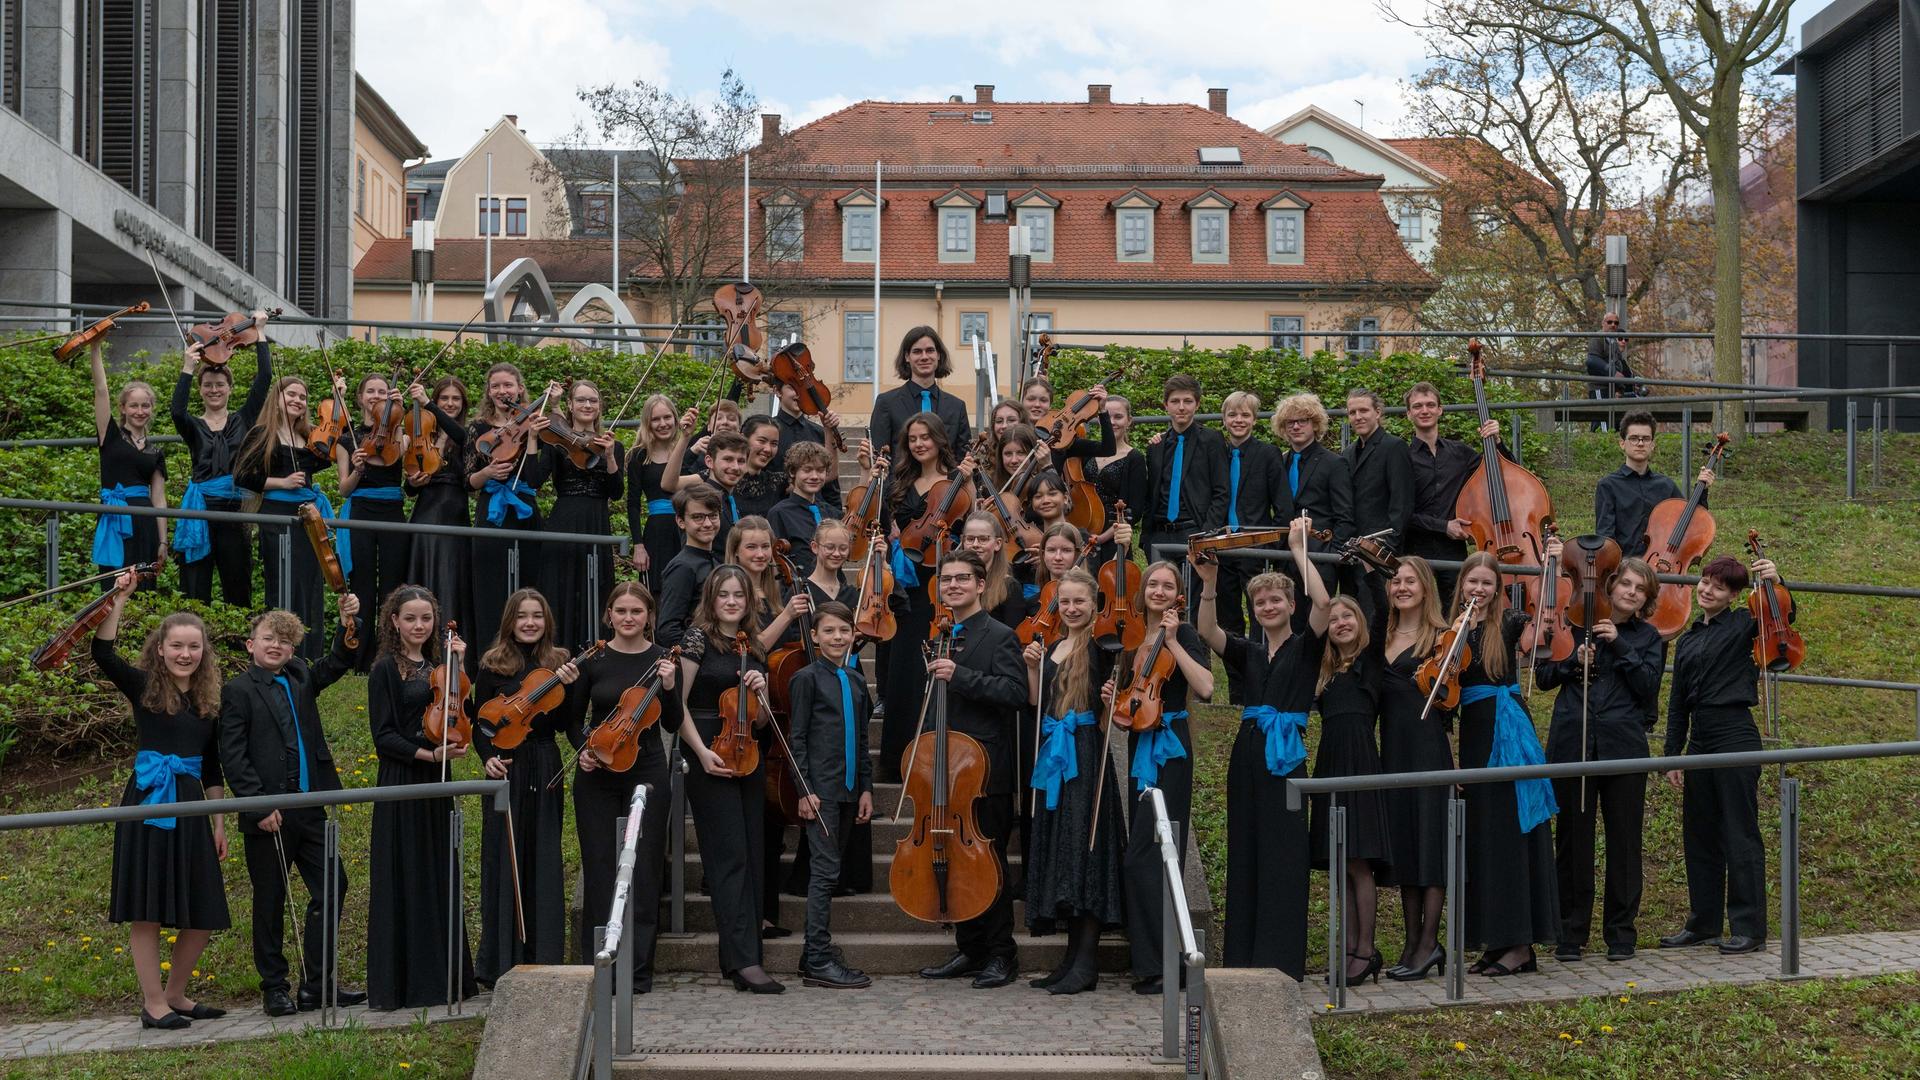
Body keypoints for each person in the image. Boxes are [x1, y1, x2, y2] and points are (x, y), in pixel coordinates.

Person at [218, 594, 367, 1016]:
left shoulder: (300, 675)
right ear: (251, 644)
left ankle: (317, 984)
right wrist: (259, 806)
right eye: (268, 639)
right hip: (270, 813)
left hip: (311, 808)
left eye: (285, 642)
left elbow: (335, 664)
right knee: (270, 900)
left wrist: (345, 623)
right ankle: (274, 987)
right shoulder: (238, 690)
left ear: (293, 649)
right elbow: (233, 755)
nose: (276, 646)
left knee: (333, 886)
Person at [93, 571, 229, 1029]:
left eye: (194, 647)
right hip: (149, 800)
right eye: (177, 646)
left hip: (193, 806)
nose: (185, 654)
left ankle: (177, 994)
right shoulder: (143, 687)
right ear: (160, 649)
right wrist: (120, 596)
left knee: (204, 908)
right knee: (147, 907)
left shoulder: (211, 700)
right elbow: (102, 653)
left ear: (203, 652)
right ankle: (154, 1004)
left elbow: (212, 767)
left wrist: (218, 822)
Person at [1194, 515, 1328, 977]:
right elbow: (1208, 632)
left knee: (1284, 855)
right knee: (1246, 850)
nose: (1268, 605)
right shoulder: (1249, 652)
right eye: (1261, 601)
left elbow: (1326, 604)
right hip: (1247, 755)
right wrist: (1210, 584)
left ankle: (1281, 959)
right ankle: (1243, 958)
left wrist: (1298, 551)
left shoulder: (1306, 646)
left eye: (1276, 598)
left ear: (1291, 604)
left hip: (1286, 756)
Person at [1536, 547, 1665, 963]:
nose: (1630, 592)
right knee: (1573, 840)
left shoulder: (1648, 639)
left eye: (1640, 589)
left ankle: (1621, 933)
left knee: (1624, 842)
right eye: (1625, 583)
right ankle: (1570, 932)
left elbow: (1648, 690)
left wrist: (1622, 648)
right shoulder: (1574, 624)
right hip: (1574, 742)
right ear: (1611, 585)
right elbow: (1542, 677)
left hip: (1623, 747)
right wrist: (1574, 662)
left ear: (1648, 599)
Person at [1660, 553, 1786, 957]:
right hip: (1700, 737)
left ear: (1733, 594)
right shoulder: (1689, 637)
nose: (1707, 589)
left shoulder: (1745, 625)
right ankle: (1704, 923)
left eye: (1718, 586)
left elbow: (1781, 616)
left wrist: (1775, 580)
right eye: (1704, 582)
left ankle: (1749, 928)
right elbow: (1678, 702)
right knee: (1699, 834)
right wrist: (1671, 755)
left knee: (1739, 833)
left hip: (1735, 733)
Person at [916, 548, 1030, 990]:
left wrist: (959, 675)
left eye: (963, 579)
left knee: (989, 864)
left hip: (984, 773)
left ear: (981, 585)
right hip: (944, 771)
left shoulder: (999, 635)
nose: (954, 586)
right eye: (947, 580)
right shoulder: (941, 635)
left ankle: (1002, 954)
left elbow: (1015, 692)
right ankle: (971, 949)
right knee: (958, 864)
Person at [559, 581, 678, 990]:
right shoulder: (594, 660)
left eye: (637, 612)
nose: (629, 618)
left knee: (643, 869)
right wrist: (584, 750)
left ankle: (637, 971)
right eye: (621, 611)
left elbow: (673, 723)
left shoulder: (663, 660)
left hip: (646, 771)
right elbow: (573, 722)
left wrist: (673, 687)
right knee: (600, 868)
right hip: (598, 773)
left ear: (649, 617)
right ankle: (600, 968)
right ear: (609, 615)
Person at [364, 586, 478, 1009]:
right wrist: (431, 753)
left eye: (426, 619)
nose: (418, 626)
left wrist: (459, 664)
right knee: (405, 874)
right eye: (410, 618)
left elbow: (460, 712)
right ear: (394, 621)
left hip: (436, 783)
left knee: (438, 873)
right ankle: (404, 986)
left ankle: (442, 980)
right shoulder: (384, 671)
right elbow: (384, 737)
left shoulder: (440, 666)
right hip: (401, 780)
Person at [1452, 552, 1558, 978]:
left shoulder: (1509, 622)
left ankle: (1520, 945)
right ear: (1461, 585)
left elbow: (1539, 633)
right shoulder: (1451, 633)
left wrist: (1546, 575)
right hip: (1475, 737)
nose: (1479, 590)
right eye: (1472, 582)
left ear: (1497, 589)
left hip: (1508, 731)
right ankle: (1497, 942)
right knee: (1485, 838)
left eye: (1487, 584)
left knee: (1513, 833)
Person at [675, 566, 781, 992]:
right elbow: (675, 706)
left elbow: (762, 722)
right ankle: (743, 962)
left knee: (752, 853)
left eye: (739, 595)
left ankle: (742, 958)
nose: (733, 601)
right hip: (707, 751)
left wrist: (762, 690)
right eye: (724, 595)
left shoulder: (753, 647)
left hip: (747, 752)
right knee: (728, 856)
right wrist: (700, 753)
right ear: (711, 599)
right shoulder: (696, 639)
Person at [1024, 568, 1123, 995]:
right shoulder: (1052, 645)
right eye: (1064, 601)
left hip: (1084, 754)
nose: (1071, 608)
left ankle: (1087, 962)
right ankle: (1069, 960)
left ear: (1094, 603)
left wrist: (1110, 698)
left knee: (1085, 853)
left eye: (1079, 601)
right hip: (1054, 754)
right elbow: (1036, 701)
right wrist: (1033, 668)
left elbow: (1110, 710)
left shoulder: (1102, 646)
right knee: (1061, 854)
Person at [1117, 561, 1213, 994]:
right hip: (1142, 745)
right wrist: (1115, 702)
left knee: (1159, 851)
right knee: (1143, 854)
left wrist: (1174, 640)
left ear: (1178, 592)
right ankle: (1154, 961)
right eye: (1152, 584)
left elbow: (1207, 687)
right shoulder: (1133, 635)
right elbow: (1130, 703)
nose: (1158, 590)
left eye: (1167, 585)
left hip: (1172, 745)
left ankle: (1168, 963)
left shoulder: (1185, 634)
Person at [470, 589, 572, 985]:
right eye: (522, 616)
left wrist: (570, 685)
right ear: (510, 621)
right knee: (502, 858)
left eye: (538, 616)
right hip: (505, 768)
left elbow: (565, 719)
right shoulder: (493, 665)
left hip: (545, 762)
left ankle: (542, 954)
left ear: (547, 622)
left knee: (544, 855)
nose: (530, 623)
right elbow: (482, 723)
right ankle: (499, 960)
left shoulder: (558, 663)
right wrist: (487, 758)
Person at [875, 415, 974, 783]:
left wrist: (967, 479)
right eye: (912, 438)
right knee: (905, 667)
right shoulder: (899, 482)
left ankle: (937, 759)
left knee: (939, 666)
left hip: (942, 580)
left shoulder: (956, 480)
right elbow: (883, 528)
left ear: (938, 439)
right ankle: (899, 756)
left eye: (925, 437)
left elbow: (970, 519)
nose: (919, 444)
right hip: (908, 584)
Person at [787, 601, 874, 989]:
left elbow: (863, 737)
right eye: (829, 631)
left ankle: (812, 955)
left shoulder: (856, 680)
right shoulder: (806, 678)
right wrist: (804, 790)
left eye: (844, 631)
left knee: (832, 871)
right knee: (824, 873)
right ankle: (819, 957)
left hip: (849, 789)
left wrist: (867, 788)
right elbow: (797, 738)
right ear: (815, 636)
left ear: (854, 634)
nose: (837, 637)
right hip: (819, 790)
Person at [1376, 556, 1454, 980]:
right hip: (1392, 753)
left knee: (1430, 844)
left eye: (1410, 581)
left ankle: (1429, 943)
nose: (1401, 587)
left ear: (1425, 588)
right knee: (1405, 845)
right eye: (1396, 581)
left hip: (1427, 752)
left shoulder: (1441, 639)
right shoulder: (1381, 636)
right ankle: (1410, 944)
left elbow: (1449, 701)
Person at [1310, 594, 1393, 984]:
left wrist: (1370, 571)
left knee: (1360, 861)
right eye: (1334, 618)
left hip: (1360, 760)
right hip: (1330, 761)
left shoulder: (1371, 661)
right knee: (1340, 863)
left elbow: (1381, 616)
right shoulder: (1324, 670)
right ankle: (1346, 948)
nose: (1341, 622)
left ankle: (1365, 950)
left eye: (1348, 616)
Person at [172, 323, 272, 606]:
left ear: (229, 389)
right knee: (194, 586)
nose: (214, 390)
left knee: (238, 584)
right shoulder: (192, 426)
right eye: (208, 386)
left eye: (219, 385)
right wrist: (187, 368)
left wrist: (260, 332)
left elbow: (264, 377)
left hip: (234, 511)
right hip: (200, 510)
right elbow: (177, 410)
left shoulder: (243, 419)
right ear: (201, 390)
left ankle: (238, 644)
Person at [235, 376, 334, 660]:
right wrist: (282, 482)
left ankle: (307, 651)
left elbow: (333, 449)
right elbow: (242, 476)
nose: (297, 400)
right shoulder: (261, 434)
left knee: (309, 580)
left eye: (302, 397)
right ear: (277, 398)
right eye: (291, 394)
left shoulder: (309, 437)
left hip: (307, 518)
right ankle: (277, 646)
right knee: (281, 580)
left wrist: (337, 401)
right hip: (276, 515)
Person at [467, 364, 556, 655]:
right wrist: (488, 472)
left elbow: (540, 471)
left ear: (519, 389)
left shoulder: (534, 421)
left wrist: (551, 406)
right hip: (491, 510)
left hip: (524, 510)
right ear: (489, 391)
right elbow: (468, 480)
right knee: (490, 583)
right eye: (496, 386)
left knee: (529, 582)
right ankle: (490, 655)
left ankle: (529, 654)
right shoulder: (479, 428)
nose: (502, 391)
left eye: (508, 385)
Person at [539, 380, 624, 649]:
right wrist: (533, 439)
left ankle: (594, 653)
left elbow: (617, 492)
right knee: (561, 590)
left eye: (593, 401)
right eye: (581, 400)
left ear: (599, 408)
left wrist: (610, 457)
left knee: (597, 590)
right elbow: (534, 479)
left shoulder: (612, 445)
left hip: (596, 521)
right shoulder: (556, 442)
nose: (588, 405)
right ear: (570, 407)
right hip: (564, 519)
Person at [336, 373, 411, 670]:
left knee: (394, 581)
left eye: (383, 391)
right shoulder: (347, 439)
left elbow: (410, 466)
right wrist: (357, 469)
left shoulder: (400, 437)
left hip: (393, 510)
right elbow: (344, 489)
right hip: (361, 511)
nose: (377, 396)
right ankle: (361, 656)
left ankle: (390, 654)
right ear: (360, 398)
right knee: (362, 583)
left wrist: (400, 415)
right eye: (371, 391)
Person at [1402, 383, 1503, 600]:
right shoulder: (1400, 457)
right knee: (1416, 611)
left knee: (1454, 609)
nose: (1425, 410)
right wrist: (1444, 526)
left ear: (1440, 409)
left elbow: (1503, 474)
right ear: (1409, 413)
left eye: (1430, 405)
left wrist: (1497, 442)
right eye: (1417, 406)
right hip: (1415, 548)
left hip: (1452, 549)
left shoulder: (1461, 453)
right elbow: (1400, 513)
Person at [1214, 391, 1282, 702]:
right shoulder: (1216, 451)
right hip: (1221, 544)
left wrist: (1276, 544)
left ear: (1255, 420)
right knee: (1227, 617)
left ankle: (1260, 681)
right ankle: (1237, 689)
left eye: (1245, 415)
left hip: (1254, 543)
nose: (1239, 421)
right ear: (1224, 419)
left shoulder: (1268, 454)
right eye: (1233, 415)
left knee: (1259, 614)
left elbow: (1281, 502)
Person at [403, 378, 475, 648]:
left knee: (452, 574)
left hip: (454, 510)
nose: (450, 403)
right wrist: (412, 482)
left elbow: (461, 437)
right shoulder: (422, 433)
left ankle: (450, 636)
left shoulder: (467, 434)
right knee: (423, 568)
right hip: (426, 508)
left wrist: (428, 404)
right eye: (444, 398)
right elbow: (409, 488)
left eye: (455, 399)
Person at [89, 341, 168, 588]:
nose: (140, 411)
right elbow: (101, 389)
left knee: (143, 589)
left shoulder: (155, 451)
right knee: (113, 589)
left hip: (145, 523)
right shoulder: (109, 435)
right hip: (115, 518)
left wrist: (163, 541)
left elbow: (159, 498)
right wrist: (95, 346)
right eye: (134, 405)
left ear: (152, 408)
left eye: (145, 405)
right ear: (123, 408)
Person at [1271, 394, 1352, 624]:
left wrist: (1331, 555)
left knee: (1316, 624)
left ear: (1315, 424)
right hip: (1285, 557)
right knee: (1287, 621)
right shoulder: (1280, 461)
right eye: (1290, 422)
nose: (1296, 426)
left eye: (1303, 420)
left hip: (1319, 557)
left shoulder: (1334, 463)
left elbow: (1344, 515)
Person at [1595, 410, 1714, 560]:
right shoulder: (1608, 486)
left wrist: (1702, 490)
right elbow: (1606, 539)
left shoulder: (1666, 485)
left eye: (1645, 439)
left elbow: (1691, 523)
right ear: (1622, 444)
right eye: (1633, 438)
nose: (1640, 443)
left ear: (1652, 445)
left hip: (1663, 566)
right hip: (1624, 569)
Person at [1342, 387, 1412, 638]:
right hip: (1353, 553)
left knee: (1379, 621)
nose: (1358, 416)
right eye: (1352, 412)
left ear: (1378, 413)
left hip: (1380, 553)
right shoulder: (1348, 453)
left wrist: (1385, 550)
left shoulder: (1394, 447)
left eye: (1363, 410)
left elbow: (1401, 503)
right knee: (1356, 620)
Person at [1144, 375, 1227, 586]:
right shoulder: (1156, 445)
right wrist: (1147, 538)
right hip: (1160, 535)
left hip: (1194, 532)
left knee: (1192, 602)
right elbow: (1152, 491)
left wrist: (1206, 535)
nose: (1181, 407)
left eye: (1188, 401)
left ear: (1197, 404)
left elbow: (1221, 491)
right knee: (1160, 598)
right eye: (1175, 401)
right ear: (1166, 405)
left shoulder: (1211, 440)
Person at [868, 326, 972, 455]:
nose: (924, 357)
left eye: (930, 350)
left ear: (938, 355)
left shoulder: (957, 406)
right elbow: (879, 455)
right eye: (917, 351)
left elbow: (962, 457)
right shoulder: (886, 403)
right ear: (907, 356)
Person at [625, 394, 685, 594]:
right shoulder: (638, 456)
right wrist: (638, 545)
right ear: (647, 423)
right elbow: (633, 504)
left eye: (667, 417)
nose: (663, 424)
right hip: (657, 532)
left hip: (686, 529)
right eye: (655, 419)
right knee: (655, 591)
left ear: (675, 419)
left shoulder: (686, 450)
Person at [663, 416, 751, 553]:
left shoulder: (729, 498)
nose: (735, 467)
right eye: (728, 459)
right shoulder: (700, 499)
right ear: (709, 462)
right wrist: (685, 437)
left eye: (741, 461)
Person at [656, 483, 726, 647]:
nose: (708, 523)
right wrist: (703, 657)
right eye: (698, 517)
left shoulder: (715, 562)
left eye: (713, 516)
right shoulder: (682, 567)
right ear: (681, 521)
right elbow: (667, 630)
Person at [1090, 395, 1149, 565]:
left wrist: (1102, 538)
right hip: (1085, 533)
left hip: (1115, 537)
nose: (1112, 422)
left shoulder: (1135, 458)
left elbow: (1134, 511)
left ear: (1129, 421)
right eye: (1107, 416)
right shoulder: (1089, 452)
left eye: (1118, 417)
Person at [770, 380, 845, 512]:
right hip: (779, 509)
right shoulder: (769, 430)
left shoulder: (820, 432)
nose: (799, 394)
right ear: (777, 391)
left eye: (803, 388)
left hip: (818, 511)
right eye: (792, 387)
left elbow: (830, 483)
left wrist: (836, 511)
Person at [768, 441, 836, 576]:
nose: (815, 476)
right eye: (807, 470)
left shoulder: (831, 512)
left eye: (820, 470)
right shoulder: (779, 513)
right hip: (799, 589)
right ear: (793, 472)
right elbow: (775, 565)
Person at [1586, 311, 1640, 429]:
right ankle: (1600, 444)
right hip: (1599, 387)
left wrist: (1622, 387)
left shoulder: (1613, 343)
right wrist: (1613, 373)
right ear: (1603, 323)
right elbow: (1592, 361)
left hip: (1612, 389)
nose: (1613, 325)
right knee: (1602, 420)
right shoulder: (1597, 338)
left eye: (1616, 323)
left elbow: (1620, 366)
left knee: (1610, 420)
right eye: (1609, 322)